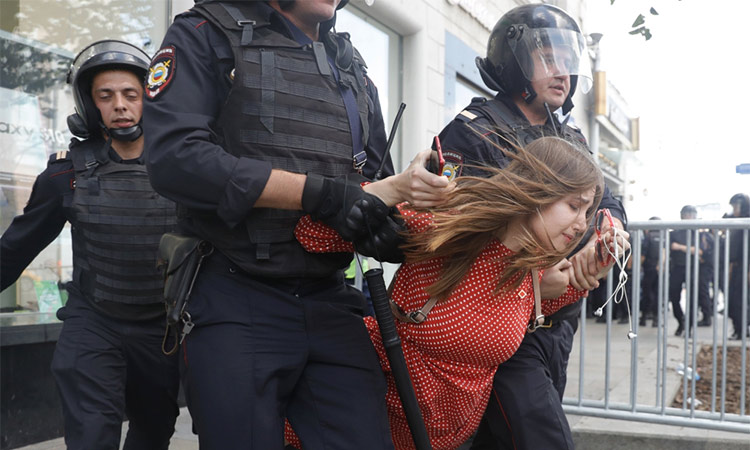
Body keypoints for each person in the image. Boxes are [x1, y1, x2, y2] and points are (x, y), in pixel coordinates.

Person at [142, 1, 448, 448]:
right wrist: (318, 194)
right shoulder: (205, 33)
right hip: (235, 292)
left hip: (329, 297)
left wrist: (380, 224)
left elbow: (369, 178)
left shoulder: (351, 65)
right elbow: (176, 159)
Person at [290, 136, 628, 450]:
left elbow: (512, 313)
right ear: (538, 190)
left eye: (587, 212)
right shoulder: (445, 225)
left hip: (449, 439)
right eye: (574, 206)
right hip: (368, 425)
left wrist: (586, 275)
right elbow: (313, 236)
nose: (583, 224)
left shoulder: (529, 265)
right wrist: (388, 190)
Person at [430, 4, 628, 449]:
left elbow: (606, 200)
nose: (563, 73)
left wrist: (611, 229)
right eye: (548, 60)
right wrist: (535, 282)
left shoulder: (570, 137)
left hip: (558, 321)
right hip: (498, 320)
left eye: (568, 61)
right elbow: (450, 231)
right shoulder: (475, 132)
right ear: (514, 61)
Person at [0, 40, 179, 449]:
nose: (119, 105)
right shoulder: (67, 175)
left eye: (130, 94)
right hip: (94, 323)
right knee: (92, 436)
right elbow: (13, 251)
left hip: (161, 329)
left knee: (154, 432)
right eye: (106, 96)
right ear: (89, 104)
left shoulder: (182, 169)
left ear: (148, 98)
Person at [668, 205, 713, 336]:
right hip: (677, 268)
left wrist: (680, 247)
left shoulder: (698, 233)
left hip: (693, 268)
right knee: (674, 296)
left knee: (693, 298)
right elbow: (670, 247)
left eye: (691, 214)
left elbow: (700, 251)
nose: (688, 217)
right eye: (686, 214)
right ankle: (681, 321)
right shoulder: (674, 232)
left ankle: (688, 327)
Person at [726, 193, 750, 339]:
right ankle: (739, 329)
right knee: (734, 301)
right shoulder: (737, 223)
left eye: (736, 206)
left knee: (740, 301)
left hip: (745, 267)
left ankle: (741, 330)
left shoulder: (746, 224)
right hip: (736, 267)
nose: (734, 209)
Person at [640, 217, 662, 327]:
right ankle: (656, 319)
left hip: (649, 269)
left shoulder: (648, 237)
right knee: (657, 294)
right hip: (660, 270)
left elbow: (643, 254)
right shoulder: (664, 236)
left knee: (647, 294)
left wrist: (638, 266)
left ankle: (643, 318)